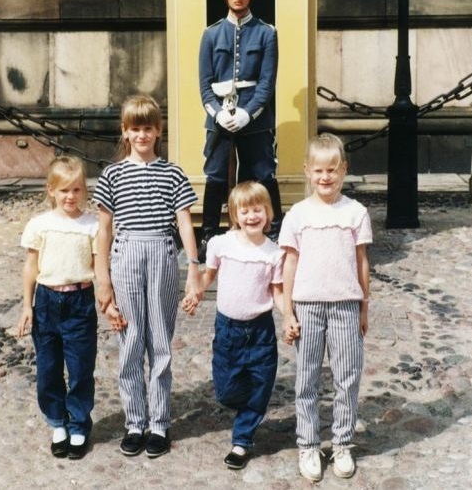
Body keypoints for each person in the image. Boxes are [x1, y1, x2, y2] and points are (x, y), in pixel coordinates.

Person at [93, 94, 202, 459]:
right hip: (126, 255)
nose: (142, 135)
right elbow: (104, 230)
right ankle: (134, 421)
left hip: (162, 254)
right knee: (130, 339)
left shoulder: (172, 173)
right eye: (135, 128)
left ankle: (159, 421)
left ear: (159, 131)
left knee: (159, 341)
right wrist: (103, 280)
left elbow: (184, 223)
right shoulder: (112, 175)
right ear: (125, 132)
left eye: (148, 128)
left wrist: (193, 268)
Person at [279, 133, 372, 482]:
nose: (325, 177)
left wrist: (363, 307)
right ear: (307, 170)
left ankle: (343, 442)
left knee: (347, 376)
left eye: (332, 170)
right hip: (308, 306)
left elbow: (362, 262)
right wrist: (288, 311)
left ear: (343, 169)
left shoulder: (355, 213)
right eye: (318, 170)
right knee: (307, 378)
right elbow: (289, 264)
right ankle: (308, 444)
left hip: (346, 305)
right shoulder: (298, 215)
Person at [183, 181, 284, 470]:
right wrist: (195, 293)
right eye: (245, 211)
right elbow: (208, 276)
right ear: (235, 215)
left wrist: (290, 316)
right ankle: (245, 405)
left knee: (261, 385)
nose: (252, 216)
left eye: (258, 210)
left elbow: (277, 291)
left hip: (261, 330)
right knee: (226, 390)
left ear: (268, 213)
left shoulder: (273, 253)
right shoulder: (221, 244)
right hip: (228, 329)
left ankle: (242, 439)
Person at [198, 0, 283, 260]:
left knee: (261, 173)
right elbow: (205, 85)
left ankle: (273, 230)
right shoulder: (211, 34)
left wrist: (249, 113)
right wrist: (217, 112)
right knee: (216, 175)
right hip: (220, 116)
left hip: (254, 118)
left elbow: (266, 84)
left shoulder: (266, 33)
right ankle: (209, 234)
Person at [17, 155, 98, 460]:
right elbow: (31, 267)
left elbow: (100, 267)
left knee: (80, 369)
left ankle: (78, 424)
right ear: (51, 190)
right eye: (64, 190)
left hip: (80, 302)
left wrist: (109, 299)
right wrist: (27, 306)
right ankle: (57, 422)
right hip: (47, 302)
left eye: (76, 189)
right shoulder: (40, 225)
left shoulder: (92, 225)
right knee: (48, 369)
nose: (70, 196)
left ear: (84, 190)